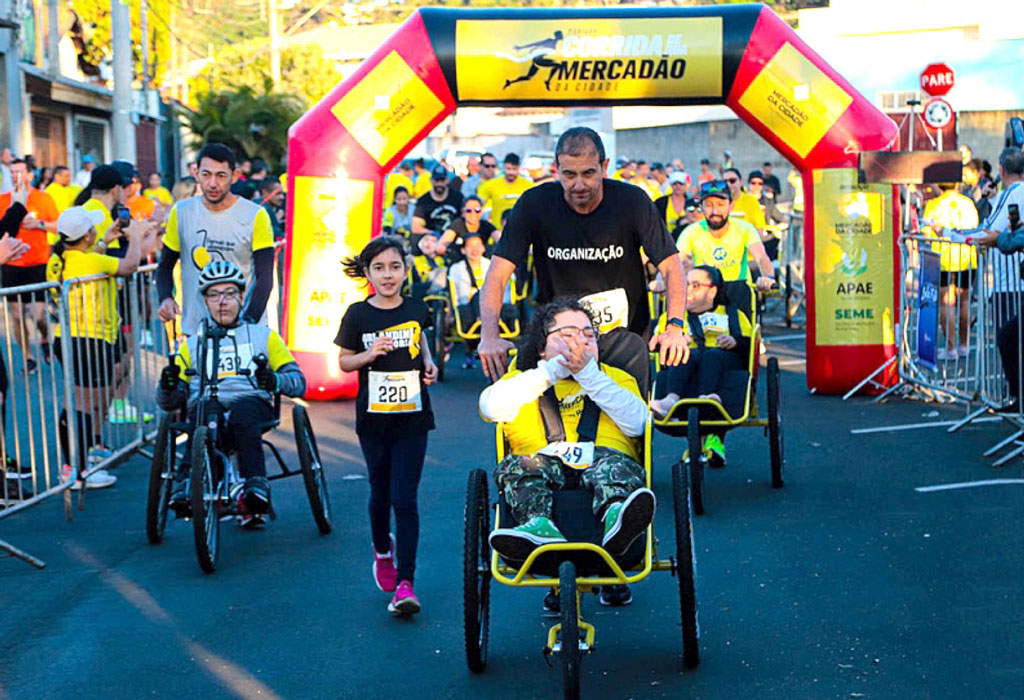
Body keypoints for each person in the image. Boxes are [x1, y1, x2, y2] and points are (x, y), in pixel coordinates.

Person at [479, 127, 689, 383]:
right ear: (556, 168)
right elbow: (498, 273)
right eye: (569, 174)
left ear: (605, 166)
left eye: (589, 173)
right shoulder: (534, 203)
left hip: (623, 338)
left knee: (626, 418)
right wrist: (489, 335)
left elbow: (671, 266)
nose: (579, 185)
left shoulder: (632, 201)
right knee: (527, 409)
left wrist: (675, 326)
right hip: (556, 338)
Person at [481, 298, 656, 564]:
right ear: (542, 347)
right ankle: (538, 526)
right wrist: (552, 371)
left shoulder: (617, 378)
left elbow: (638, 423)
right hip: (540, 463)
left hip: (605, 460)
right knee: (516, 468)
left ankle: (618, 519)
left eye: (588, 335)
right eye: (567, 335)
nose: (580, 342)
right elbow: (490, 407)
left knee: (615, 468)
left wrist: (589, 374)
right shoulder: (523, 380)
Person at [157, 261, 306, 526]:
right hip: (207, 410)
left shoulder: (264, 336)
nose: (222, 302)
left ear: (241, 296)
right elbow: (169, 402)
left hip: (251, 406)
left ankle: (255, 486)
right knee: (205, 411)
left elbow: (298, 382)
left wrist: (273, 379)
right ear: (205, 300)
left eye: (229, 293)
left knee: (243, 410)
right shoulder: (192, 345)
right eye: (214, 295)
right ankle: (186, 483)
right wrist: (168, 386)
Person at [335, 235, 438, 617]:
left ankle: (406, 583)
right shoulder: (358, 315)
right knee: (380, 493)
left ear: (406, 270)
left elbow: (420, 337)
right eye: (379, 268)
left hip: (414, 417)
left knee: (404, 498)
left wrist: (428, 363)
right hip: (374, 420)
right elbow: (344, 363)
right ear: (367, 274)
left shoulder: (415, 308)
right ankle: (382, 549)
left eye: (395, 267)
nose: (388, 274)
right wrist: (369, 354)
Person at [49, 206, 149, 489]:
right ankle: (76, 471)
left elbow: (94, 258)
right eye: (92, 230)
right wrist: (136, 237)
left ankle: (76, 466)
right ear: (84, 236)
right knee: (83, 404)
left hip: (71, 337)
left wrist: (105, 240)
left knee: (78, 402)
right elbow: (129, 266)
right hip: (89, 339)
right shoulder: (90, 262)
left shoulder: (63, 258)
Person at [156, 142, 276, 335]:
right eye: (206, 174)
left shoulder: (255, 215)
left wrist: (248, 322)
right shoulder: (182, 212)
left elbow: (265, 278)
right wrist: (165, 298)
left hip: (245, 330)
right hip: (197, 331)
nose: (212, 183)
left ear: (235, 176)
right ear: (196, 173)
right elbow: (164, 266)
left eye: (221, 176)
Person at [650, 266, 753, 467]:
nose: (688, 290)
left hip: (724, 363)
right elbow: (656, 344)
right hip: (685, 366)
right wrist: (672, 341)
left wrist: (735, 341)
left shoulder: (733, 315)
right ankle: (671, 399)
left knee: (712, 355)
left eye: (695, 286)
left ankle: (709, 396)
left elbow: (752, 346)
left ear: (712, 291)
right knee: (687, 355)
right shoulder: (672, 320)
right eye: (685, 285)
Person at [0, 159, 59, 373]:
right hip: (10, 263)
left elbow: (59, 225)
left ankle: (44, 337)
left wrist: (40, 224)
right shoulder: (2, 200)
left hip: (37, 262)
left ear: (30, 175)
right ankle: (28, 358)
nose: (16, 176)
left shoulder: (43, 199)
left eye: (20, 172)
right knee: (16, 315)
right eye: (12, 172)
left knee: (38, 314)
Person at [677, 180, 775, 291]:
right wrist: (661, 280)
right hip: (703, 294)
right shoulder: (691, 232)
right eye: (709, 205)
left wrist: (768, 277)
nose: (715, 211)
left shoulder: (744, 229)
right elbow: (674, 262)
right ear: (701, 207)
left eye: (721, 205)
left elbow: (761, 257)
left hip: (738, 293)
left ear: (731, 206)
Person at [921, 183, 979, 359]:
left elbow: (926, 232)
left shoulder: (933, 205)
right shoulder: (968, 203)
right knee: (964, 302)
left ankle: (951, 349)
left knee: (947, 304)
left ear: (940, 186)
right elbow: (975, 227)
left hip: (943, 259)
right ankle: (964, 346)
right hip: (967, 258)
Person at [449, 234, 516, 369]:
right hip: (467, 307)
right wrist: (450, 312)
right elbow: (454, 294)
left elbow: (507, 285)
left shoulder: (492, 264)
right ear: (463, 250)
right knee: (479, 295)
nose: (474, 249)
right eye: (470, 246)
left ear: (483, 248)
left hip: (494, 306)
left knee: (492, 297)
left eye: (477, 245)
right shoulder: (456, 268)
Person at [411, 164, 463, 249]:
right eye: (437, 180)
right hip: (432, 241)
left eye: (442, 180)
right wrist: (433, 233)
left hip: (454, 238)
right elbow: (416, 227)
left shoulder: (457, 197)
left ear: (447, 180)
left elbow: (465, 217)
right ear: (431, 180)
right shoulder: (423, 201)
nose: (439, 184)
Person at [438, 195, 497, 264]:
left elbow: (501, 238)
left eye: (477, 210)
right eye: (469, 210)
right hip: (461, 264)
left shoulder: (486, 225)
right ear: (463, 212)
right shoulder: (458, 224)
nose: (473, 213)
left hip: (483, 262)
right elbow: (442, 244)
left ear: (481, 212)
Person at [478, 153, 533, 226]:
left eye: (514, 169)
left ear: (519, 168)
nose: (511, 172)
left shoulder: (528, 185)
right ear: (503, 167)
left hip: (520, 231)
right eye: (508, 169)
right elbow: (477, 205)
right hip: (498, 231)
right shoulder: (491, 185)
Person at [409, 232, 447, 299]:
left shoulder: (444, 260)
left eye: (433, 241)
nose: (428, 243)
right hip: (423, 285)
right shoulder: (413, 259)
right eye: (426, 240)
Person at [655, 171, 691, 242]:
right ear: (671, 185)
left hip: (686, 242)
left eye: (681, 184)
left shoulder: (690, 202)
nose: (678, 187)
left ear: (685, 185)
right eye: (675, 184)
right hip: (666, 242)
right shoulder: (661, 202)